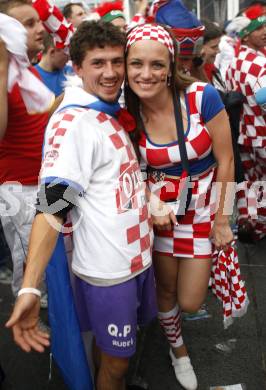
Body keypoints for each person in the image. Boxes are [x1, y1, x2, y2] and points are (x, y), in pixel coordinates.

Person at [6, 20, 157, 390]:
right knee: (117, 364)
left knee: (114, 356)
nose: (110, 73)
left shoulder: (104, 107)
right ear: (76, 67)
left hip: (136, 258)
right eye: (98, 63)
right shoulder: (75, 122)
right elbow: (53, 207)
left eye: (116, 62)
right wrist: (29, 287)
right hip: (109, 270)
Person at [125, 23, 234, 390]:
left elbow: (227, 160)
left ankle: (175, 332)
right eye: (136, 63)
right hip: (162, 215)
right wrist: (151, 201)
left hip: (203, 212)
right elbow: (126, 173)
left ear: (171, 65)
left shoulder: (202, 97)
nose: (146, 73)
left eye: (157, 64)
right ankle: (178, 350)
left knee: (190, 301)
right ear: (125, 66)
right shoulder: (126, 111)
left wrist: (223, 218)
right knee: (166, 292)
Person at [0, 0, 49, 300]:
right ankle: (28, 316)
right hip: (18, 189)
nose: (39, 28)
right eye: (28, 25)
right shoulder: (4, 73)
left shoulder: (28, 71)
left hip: (49, 181)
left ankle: (49, 306)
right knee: (27, 259)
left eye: (37, 21)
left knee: (53, 250)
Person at [226, 4, 266, 242]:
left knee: (253, 182)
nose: (264, 31)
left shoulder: (234, 62)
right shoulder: (259, 64)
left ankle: (251, 222)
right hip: (261, 133)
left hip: (244, 135)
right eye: (259, 27)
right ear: (245, 34)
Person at [35, 32, 71, 96]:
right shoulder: (33, 77)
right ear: (52, 52)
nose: (69, 58)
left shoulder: (70, 72)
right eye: (66, 52)